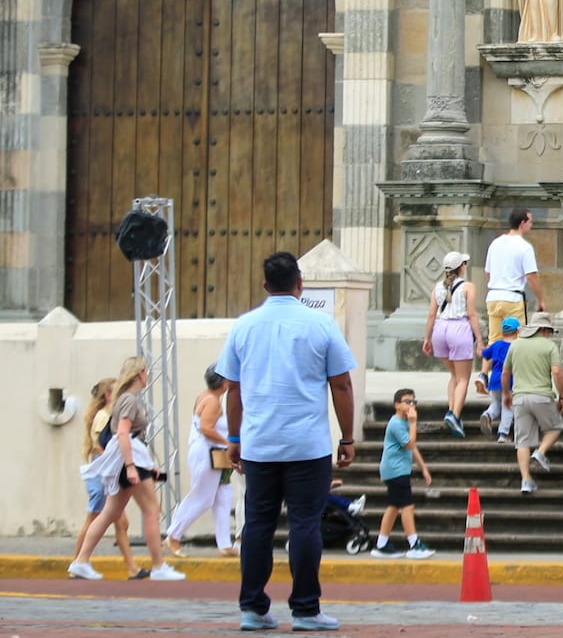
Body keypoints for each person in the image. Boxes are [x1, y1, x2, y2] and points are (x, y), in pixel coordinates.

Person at [216, 251, 357, 633]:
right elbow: (341, 384)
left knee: (257, 525)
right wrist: (347, 437)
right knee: (305, 524)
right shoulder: (321, 324)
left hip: (260, 444)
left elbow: (233, 389)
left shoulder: (244, 326)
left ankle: (252, 607)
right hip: (308, 445)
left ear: (265, 285)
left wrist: (234, 438)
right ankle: (306, 609)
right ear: (300, 283)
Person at [68, 356, 185, 582]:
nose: (147, 375)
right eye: (146, 372)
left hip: (130, 459)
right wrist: (132, 466)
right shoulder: (129, 400)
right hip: (130, 461)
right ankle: (158, 565)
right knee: (151, 510)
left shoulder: (123, 399)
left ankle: (81, 561)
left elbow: (128, 436)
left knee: (109, 513)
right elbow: (123, 433)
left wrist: (146, 464)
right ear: (139, 374)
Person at [72, 377, 145, 580]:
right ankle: (78, 562)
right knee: (95, 518)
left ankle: (132, 568)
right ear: (107, 395)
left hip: (106, 471)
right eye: (116, 391)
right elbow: (100, 445)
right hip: (102, 473)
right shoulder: (103, 416)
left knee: (121, 523)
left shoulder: (110, 415)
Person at [164, 364, 236, 558]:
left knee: (224, 495)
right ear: (223, 382)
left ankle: (224, 544)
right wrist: (228, 443)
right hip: (207, 453)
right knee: (203, 497)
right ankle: (174, 535)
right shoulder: (213, 401)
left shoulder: (205, 396)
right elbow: (206, 428)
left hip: (213, 454)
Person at [502, 311, 563, 495]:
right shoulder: (549, 346)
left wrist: (506, 393)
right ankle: (541, 452)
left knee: (522, 441)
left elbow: (505, 373)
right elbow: (557, 372)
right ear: (544, 330)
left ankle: (526, 480)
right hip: (542, 396)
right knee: (555, 427)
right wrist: (562, 396)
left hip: (519, 398)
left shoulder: (516, 344)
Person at [422, 250, 484, 439]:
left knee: (454, 375)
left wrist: (427, 338)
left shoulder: (437, 287)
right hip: (459, 329)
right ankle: (455, 415)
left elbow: (431, 314)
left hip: (440, 330)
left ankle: (451, 409)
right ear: (461, 267)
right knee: (463, 378)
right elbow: (472, 314)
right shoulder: (468, 287)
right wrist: (480, 340)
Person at [370, 389, 434, 559]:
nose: (411, 405)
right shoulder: (397, 423)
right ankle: (414, 544)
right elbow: (410, 444)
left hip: (397, 469)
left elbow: (413, 447)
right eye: (407, 402)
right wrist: (413, 423)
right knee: (407, 506)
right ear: (397, 405)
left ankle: (381, 544)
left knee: (393, 506)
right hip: (396, 470)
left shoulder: (403, 422)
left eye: (413, 402)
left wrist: (423, 468)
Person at [484, 208, 545, 341]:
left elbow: (488, 273)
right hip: (513, 298)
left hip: (494, 296)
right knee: (517, 340)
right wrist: (541, 299)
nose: (531, 225)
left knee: (494, 340)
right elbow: (531, 276)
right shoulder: (525, 247)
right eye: (530, 221)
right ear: (522, 223)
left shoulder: (495, 243)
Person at [479, 317, 517, 442]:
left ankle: (488, 415)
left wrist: (479, 348)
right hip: (509, 381)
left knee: (496, 403)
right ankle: (503, 433)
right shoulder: (516, 347)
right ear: (517, 332)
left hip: (494, 380)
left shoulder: (496, 345)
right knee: (508, 406)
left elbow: (484, 355)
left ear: (502, 332)